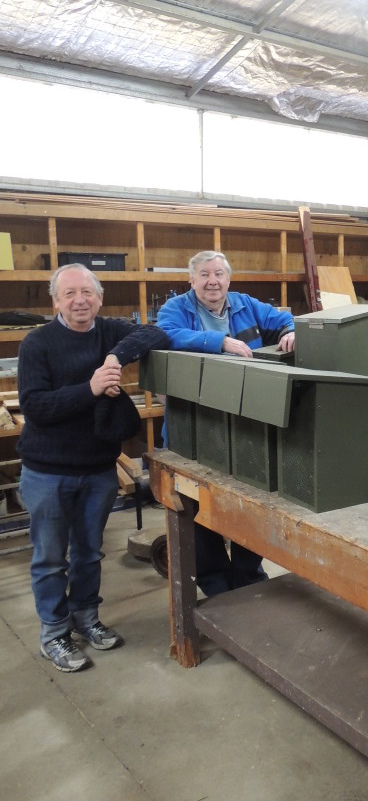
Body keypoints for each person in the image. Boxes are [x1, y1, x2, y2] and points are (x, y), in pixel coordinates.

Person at [18, 263, 170, 673]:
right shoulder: (38, 344)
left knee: (88, 553)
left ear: (100, 298)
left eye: (87, 291)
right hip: (47, 472)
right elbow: (35, 407)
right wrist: (91, 387)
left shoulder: (110, 331)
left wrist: (115, 357)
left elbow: (156, 331)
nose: (79, 300)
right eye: (69, 293)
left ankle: (85, 618)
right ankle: (54, 633)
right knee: (50, 558)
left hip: (98, 469)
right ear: (56, 302)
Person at [156, 251, 295, 595]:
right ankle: (216, 584)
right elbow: (165, 336)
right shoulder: (175, 309)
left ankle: (249, 577)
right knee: (199, 507)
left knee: (251, 505)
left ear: (228, 280)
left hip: (244, 426)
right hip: (195, 429)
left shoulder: (245, 304)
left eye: (218, 274)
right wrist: (218, 342)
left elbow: (281, 317)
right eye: (204, 275)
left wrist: (291, 330)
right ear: (192, 281)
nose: (212, 281)